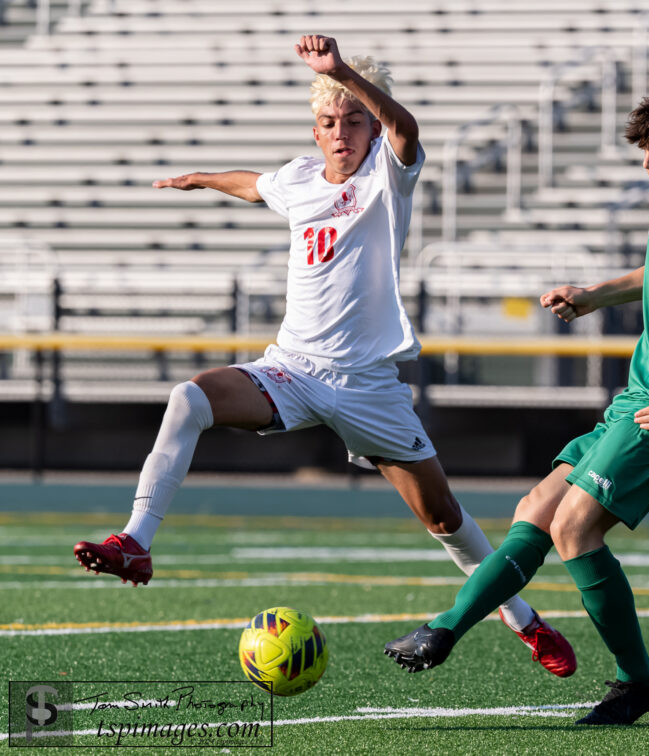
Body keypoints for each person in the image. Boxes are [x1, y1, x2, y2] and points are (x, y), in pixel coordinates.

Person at [72, 34, 576, 678]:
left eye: (353, 121)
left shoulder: (389, 176)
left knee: (444, 517)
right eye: (329, 122)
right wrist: (201, 178)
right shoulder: (299, 178)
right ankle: (136, 542)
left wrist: (340, 71)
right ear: (316, 133)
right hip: (292, 371)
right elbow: (255, 186)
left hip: (369, 386)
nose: (342, 133)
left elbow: (406, 125)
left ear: (370, 127)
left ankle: (526, 622)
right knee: (190, 396)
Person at [383, 80, 649, 726]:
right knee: (536, 510)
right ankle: (444, 630)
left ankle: (635, 681)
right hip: (635, 398)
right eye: (645, 150)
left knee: (574, 529)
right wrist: (593, 296)